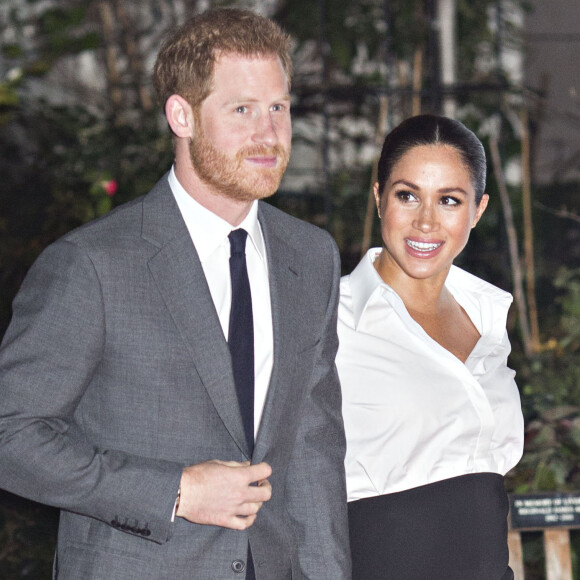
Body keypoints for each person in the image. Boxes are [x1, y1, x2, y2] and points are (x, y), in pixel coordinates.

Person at [0, 8, 351, 579]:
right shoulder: (93, 264)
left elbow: (313, 451)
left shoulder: (309, 257)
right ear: (181, 115)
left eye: (279, 108)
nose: (269, 135)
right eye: (242, 110)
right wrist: (175, 492)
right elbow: (10, 432)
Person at [337, 114, 524, 580]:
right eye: (407, 195)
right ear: (379, 198)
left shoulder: (488, 321)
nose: (425, 221)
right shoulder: (329, 320)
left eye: (449, 200)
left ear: (477, 210)